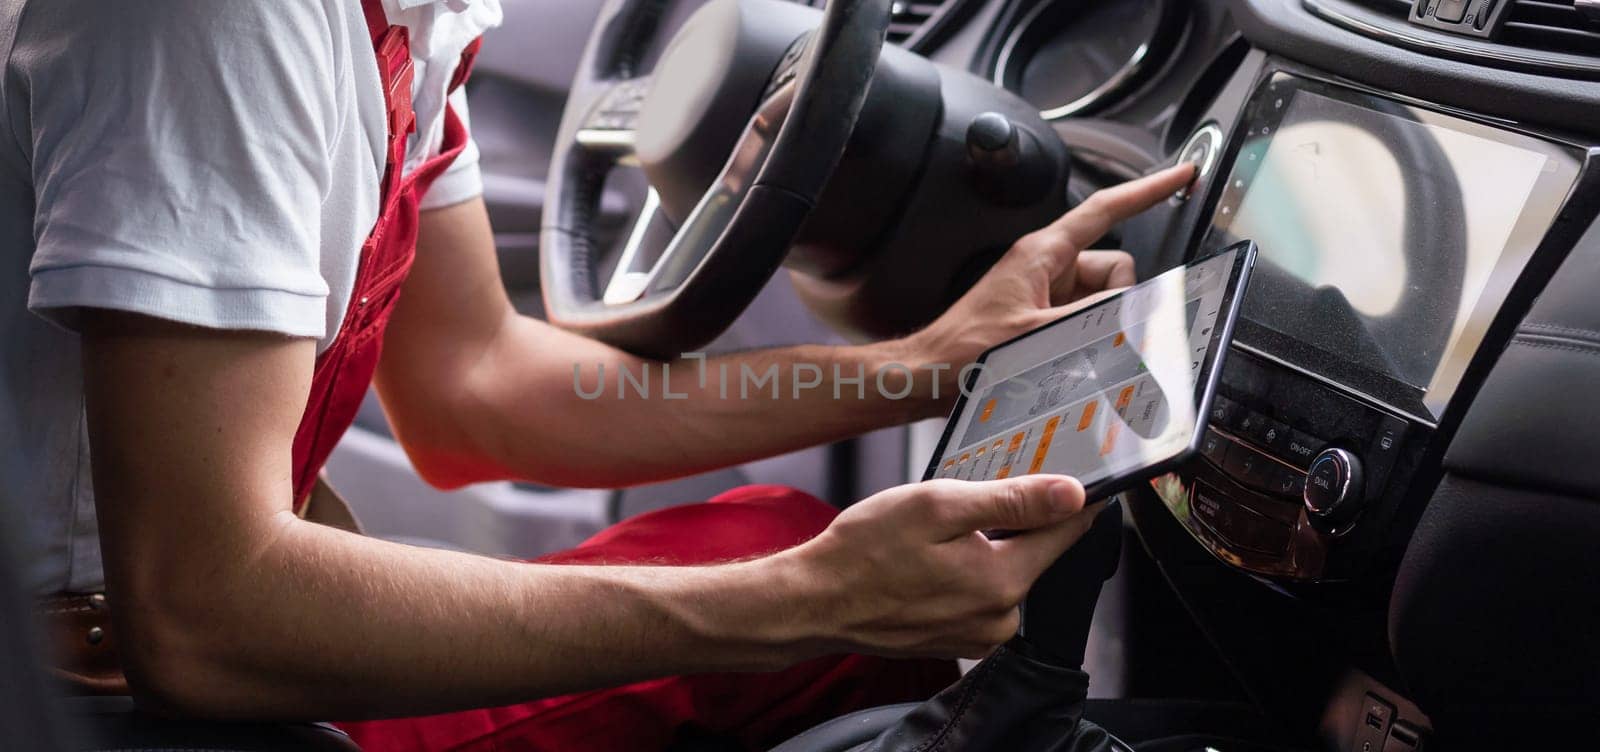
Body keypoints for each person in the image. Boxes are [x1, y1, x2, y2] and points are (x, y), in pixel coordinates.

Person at [0, 0, 1197, 750]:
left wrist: (917, 369)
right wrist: (804, 600)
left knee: (775, 534)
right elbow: (204, 614)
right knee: (818, 614)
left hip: (175, 642)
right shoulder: (222, 27)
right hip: (95, 699)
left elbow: (480, 386)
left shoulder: (413, 23)